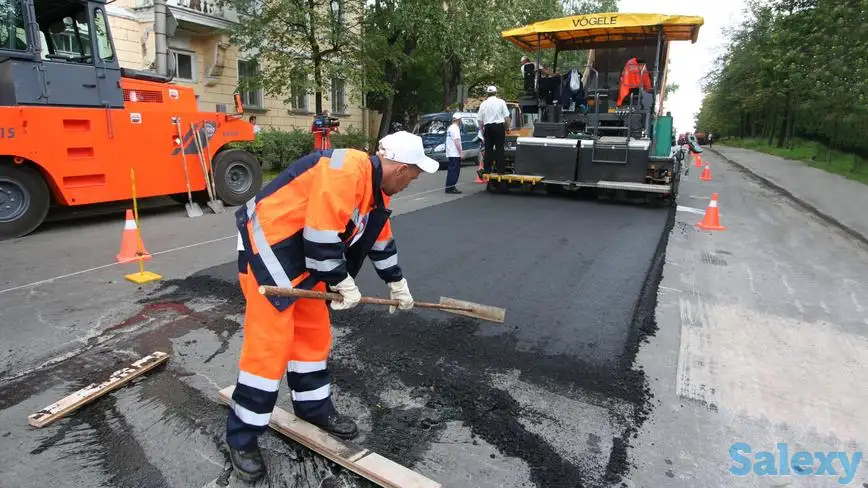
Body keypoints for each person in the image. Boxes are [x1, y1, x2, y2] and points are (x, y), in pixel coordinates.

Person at [227, 131, 439, 482]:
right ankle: (243, 438)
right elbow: (321, 234)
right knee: (269, 350)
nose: (411, 184)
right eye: (413, 177)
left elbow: (379, 239)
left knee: (313, 337)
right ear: (401, 168)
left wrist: (397, 283)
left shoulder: (375, 190)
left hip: (303, 259)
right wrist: (342, 283)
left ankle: (313, 408)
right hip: (270, 252)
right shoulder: (346, 169)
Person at [477, 86, 510, 176]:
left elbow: (480, 120)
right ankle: (500, 170)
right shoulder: (501, 102)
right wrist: (507, 128)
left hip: (487, 127)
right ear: (496, 92)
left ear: (487, 93)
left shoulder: (483, 104)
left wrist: (481, 130)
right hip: (499, 127)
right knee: (499, 148)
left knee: (488, 149)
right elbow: (506, 117)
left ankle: (487, 170)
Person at [445, 113, 463, 194]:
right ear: (459, 120)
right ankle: (451, 187)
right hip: (455, 153)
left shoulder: (450, 128)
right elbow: (456, 141)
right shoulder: (456, 128)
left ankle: (448, 187)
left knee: (451, 170)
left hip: (450, 152)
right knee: (455, 171)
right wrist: (461, 152)